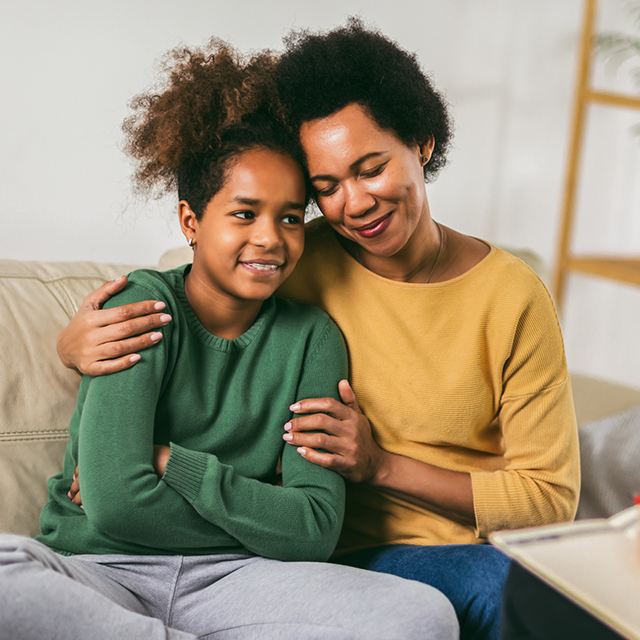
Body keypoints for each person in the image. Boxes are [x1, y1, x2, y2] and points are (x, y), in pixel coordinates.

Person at [55, 20, 581, 640]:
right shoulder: (298, 258)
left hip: (437, 553)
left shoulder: (512, 295)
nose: (354, 203)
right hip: (308, 561)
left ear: (423, 143)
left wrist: (380, 466)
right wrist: (74, 345)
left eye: (371, 168)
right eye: (326, 187)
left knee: (529, 588)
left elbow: (549, 500)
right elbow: (201, 291)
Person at [0, 40, 460, 640]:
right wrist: (262, 511)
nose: (270, 238)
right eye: (244, 214)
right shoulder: (140, 305)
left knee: (422, 616)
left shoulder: (313, 338)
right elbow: (114, 505)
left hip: (237, 581)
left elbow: (315, 527)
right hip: (101, 570)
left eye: (291, 217)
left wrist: (176, 467)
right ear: (192, 222)